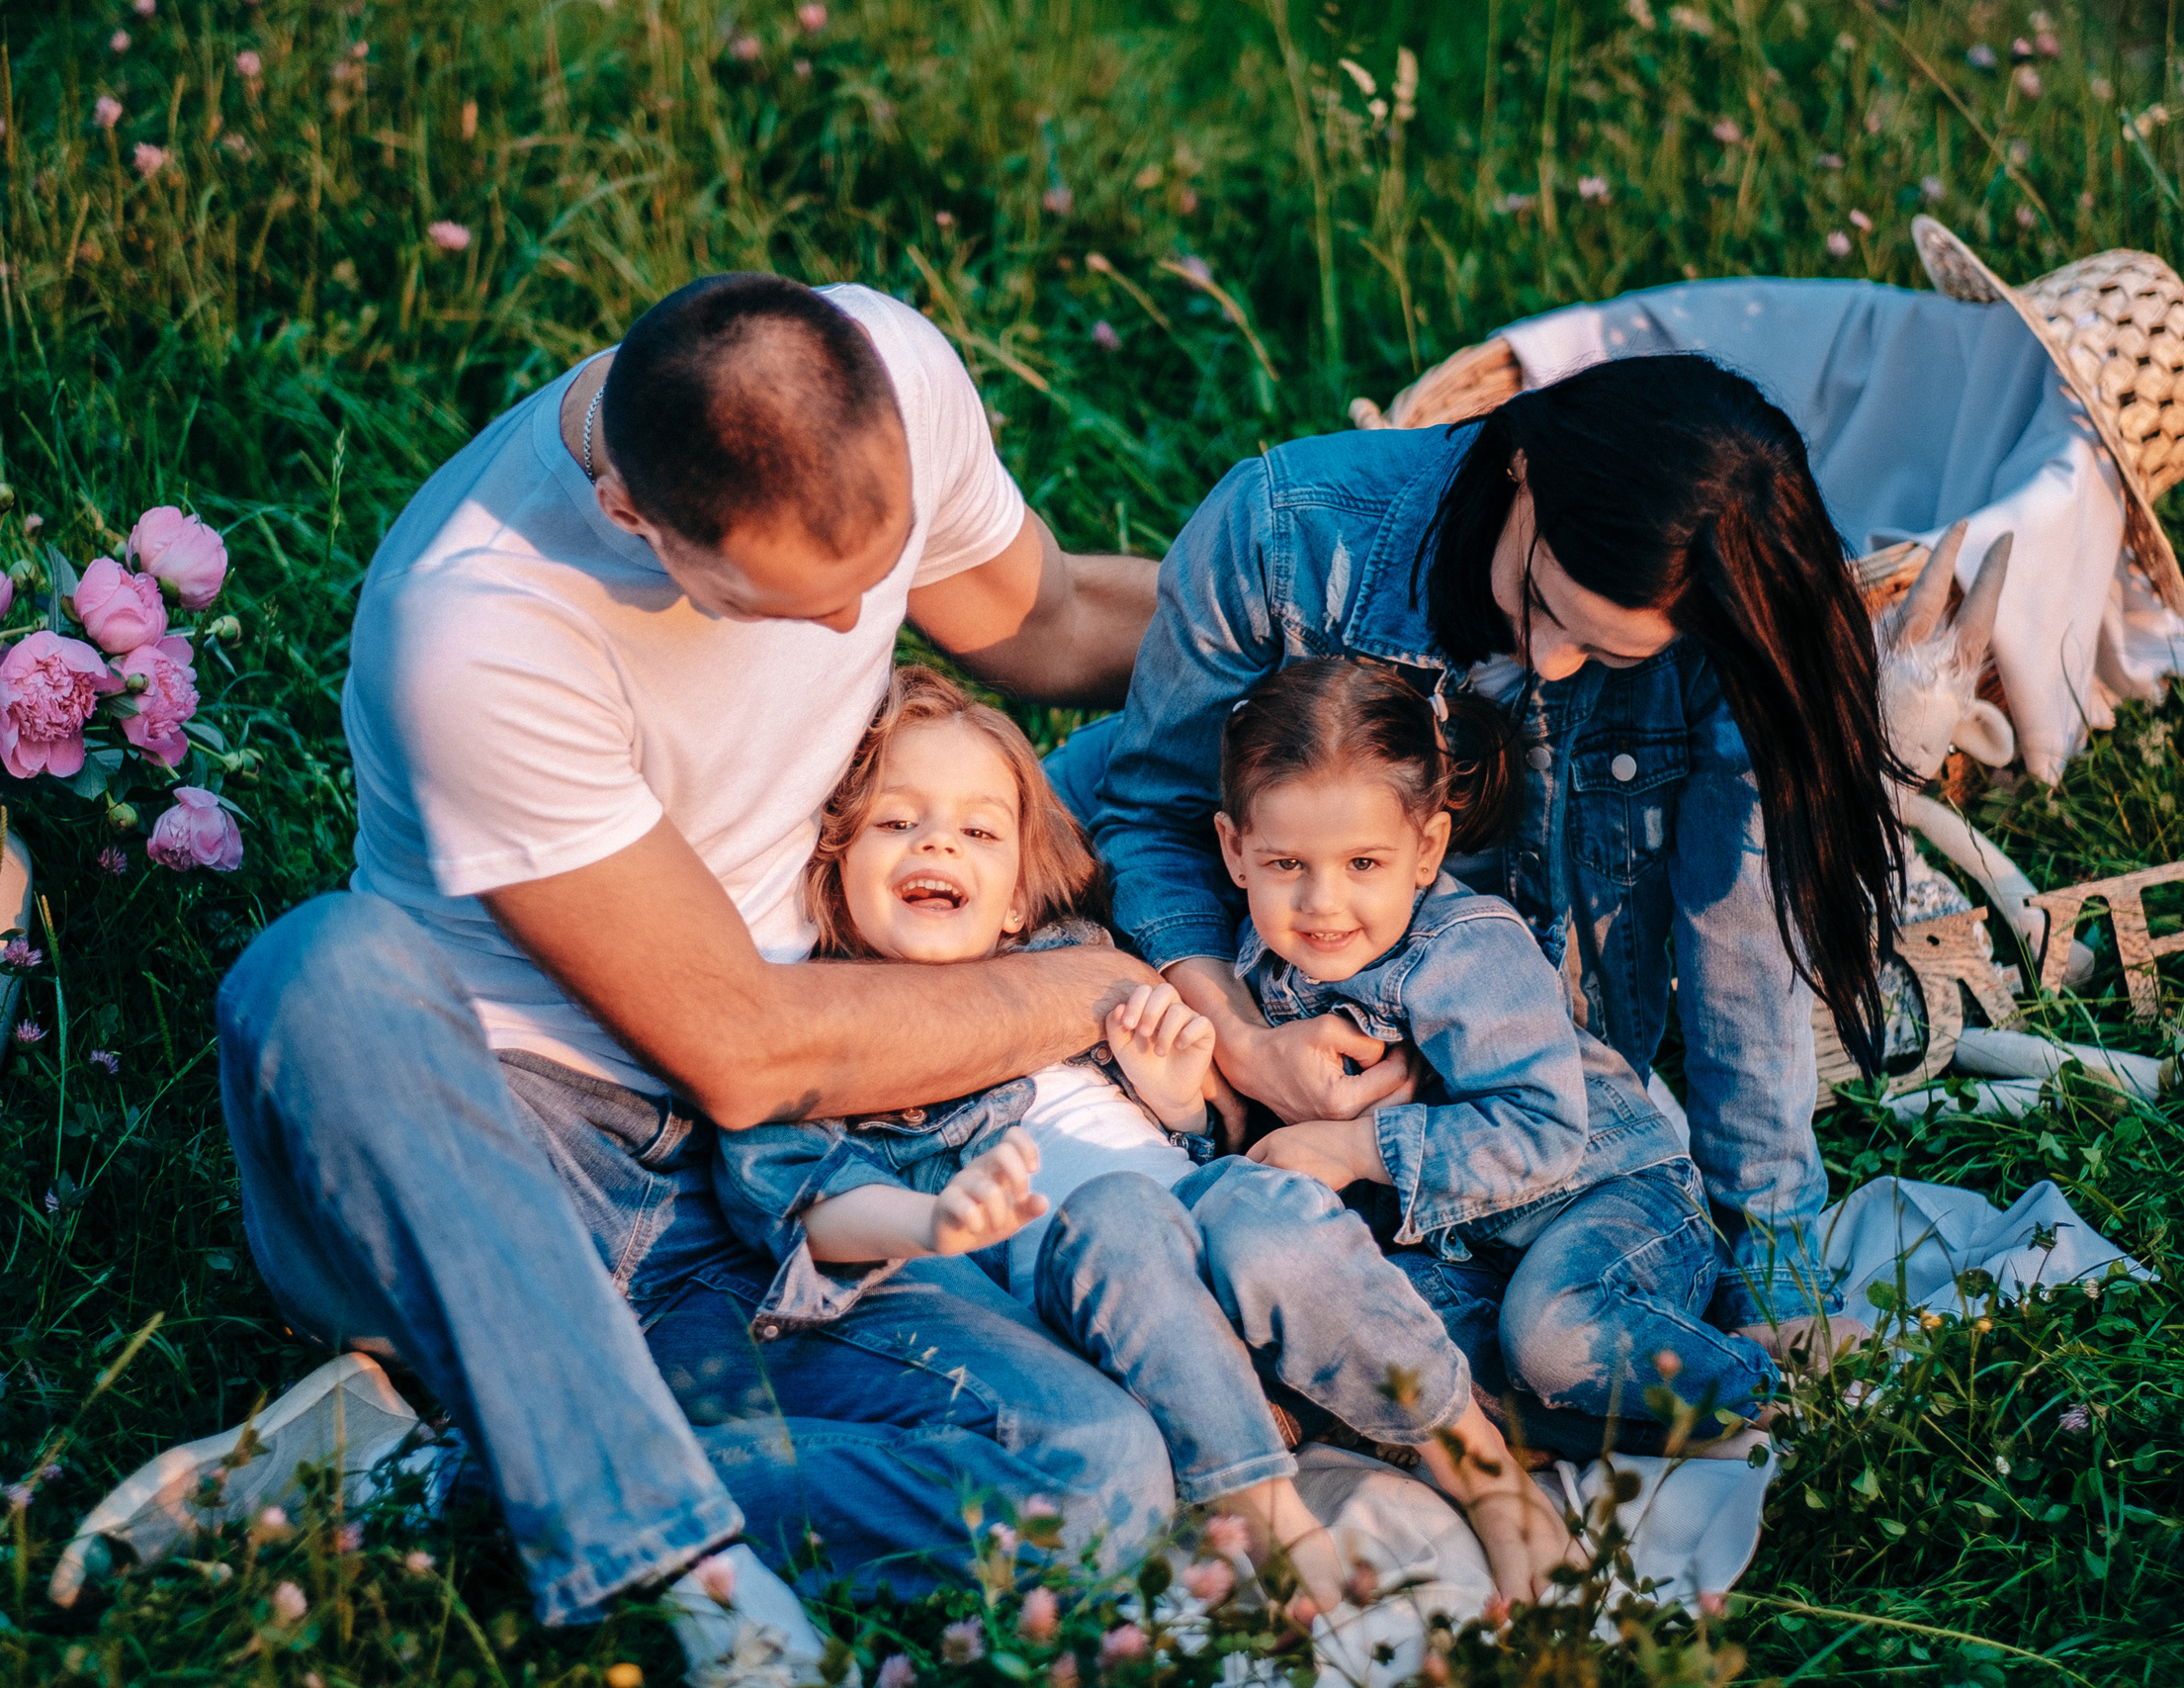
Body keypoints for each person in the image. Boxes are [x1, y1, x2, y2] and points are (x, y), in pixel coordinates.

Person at [216, 272, 1177, 1662]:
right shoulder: (481, 621)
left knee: (1094, 1476)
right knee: (323, 962)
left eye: (883, 574)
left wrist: (1332, 656)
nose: (862, 632)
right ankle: (701, 1587)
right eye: (794, 607)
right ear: (633, 520)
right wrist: (1097, 985)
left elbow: (1054, 619)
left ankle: (434, 1480)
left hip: (746, 1195)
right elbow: (744, 1045)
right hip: (491, 1167)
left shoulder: (889, 369)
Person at [1053, 355, 1892, 1426]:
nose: (1549, 662)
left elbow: (1740, 960)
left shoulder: (1715, 648)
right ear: (1524, 471)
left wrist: (1773, 1250)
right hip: (1308, 1074)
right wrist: (1246, 1044)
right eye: (1544, 604)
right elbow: (1153, 820)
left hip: (1545, 1126)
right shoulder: (1288, 532)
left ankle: (1735, 1388)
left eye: (1605, 651)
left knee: (1534, 1340)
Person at [710, 666, 1578, 1611]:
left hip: (1235, 1266)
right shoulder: (821, 1035)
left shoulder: (1068, 964)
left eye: (978, 830)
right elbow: (797, 1201)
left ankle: (1484, 1470)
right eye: (897, 821)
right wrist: (930, 1216)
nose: (938, 843)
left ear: (1014, 899)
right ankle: (1281, 1531)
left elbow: (1204, 1137)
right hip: (1095, 1310)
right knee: (1120, 1212)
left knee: (1263, 1207)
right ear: (834, 866)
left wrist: (1180, 1108)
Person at [1221, 659, 1780, 1460]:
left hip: (1606, 1203)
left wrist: (1354, 1147)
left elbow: (1545, 1131)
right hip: (1460, 1253)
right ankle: (1579, 1426)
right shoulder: (1258, 970)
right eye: (1286, 865)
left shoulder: (1466, 948)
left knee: (1549, 1336)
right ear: (1236, 851)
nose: (1322, 903)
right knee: (1410, 1365)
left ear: (1427, 849)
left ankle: (1759, 1392)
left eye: (1363, 864)